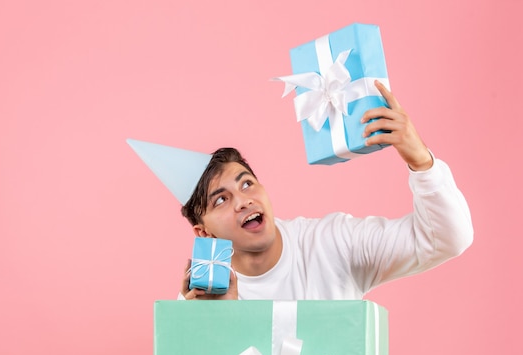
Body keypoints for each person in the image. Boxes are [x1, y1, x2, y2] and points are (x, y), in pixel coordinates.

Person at [174, 81, 474, 300]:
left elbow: (447, 239)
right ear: (204, 234)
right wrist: (213, 324)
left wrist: (421, 161)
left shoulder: (332, 242)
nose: (243, 200)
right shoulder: (202, 299)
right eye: (222, 199)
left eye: (247, 183)